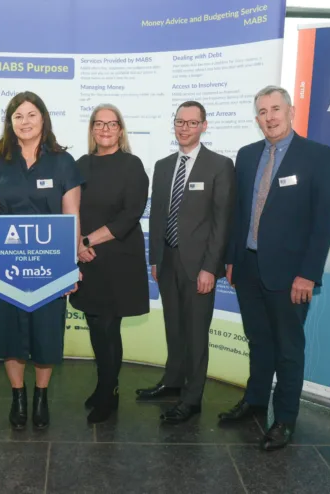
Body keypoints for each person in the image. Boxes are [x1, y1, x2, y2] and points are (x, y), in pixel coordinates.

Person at [221, 85, 330, 451]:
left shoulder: (317, 156)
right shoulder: (247, 155)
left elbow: (324, 221)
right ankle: (255, 401)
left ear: (291, 110)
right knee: (258, 341)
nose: (269, 117)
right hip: (248, 267)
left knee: (288, 349)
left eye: (275, 109)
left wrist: (308, 273)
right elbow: (238, 213)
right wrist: (231, 259)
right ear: (256, 118)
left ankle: (285, 419)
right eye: (262, 111)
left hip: (291, 276)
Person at [0, 91, 83, 430]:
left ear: (43, 119)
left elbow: (72, 215)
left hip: (49, 268)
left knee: (45, 336)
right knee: (10, 336)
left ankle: (40, 396)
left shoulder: (63, 162)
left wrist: (72, 266)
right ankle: (18, 396)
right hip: (5, 267)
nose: (24, 121)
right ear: (10, 123)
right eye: (17, 116)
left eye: (31, 114)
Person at [137, 101, 236, 424]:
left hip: (199, 267)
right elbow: (158, 216)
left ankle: (192, 399)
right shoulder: (164, 165)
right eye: (180, 122)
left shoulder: (219, 165)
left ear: (204, 126)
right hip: (167, 261)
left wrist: (210, 267)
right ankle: (172, 382)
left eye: (192, 123)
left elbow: (222, 223)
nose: (184, 128)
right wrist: (155, 258)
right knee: (174, 328)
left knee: (195, 333)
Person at [69, 104, 150, 423]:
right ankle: (105, 385)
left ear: (120, 129)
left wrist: (86, 241)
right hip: (86, 259)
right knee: (94, 324)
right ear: (91, 129)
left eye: (111, 124)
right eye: (98, 124)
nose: (104, 129)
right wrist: (76, 244)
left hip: (117, 259)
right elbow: (69, 207)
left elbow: (130, 215)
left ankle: (108, 392)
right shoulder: (80, 165)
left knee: (107, 325)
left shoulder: (132, 165)